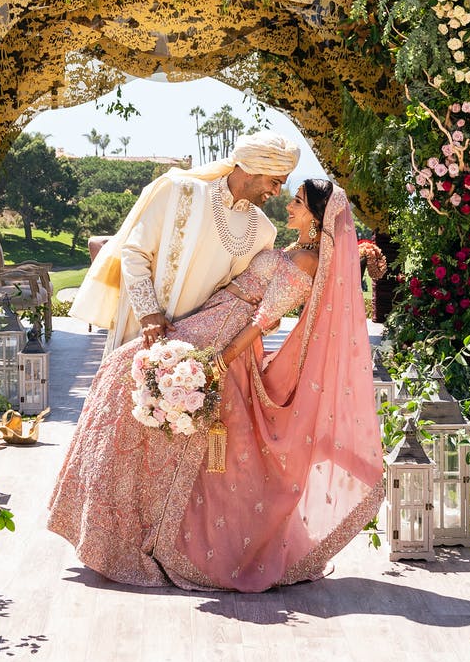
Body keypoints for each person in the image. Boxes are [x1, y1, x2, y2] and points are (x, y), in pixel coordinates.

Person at [49, 178, 384, 592]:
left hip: (226, 334)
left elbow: (263, 319)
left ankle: (137, 533)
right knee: (126, 373)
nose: (288, 205)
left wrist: (219, 362)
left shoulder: (305, 263)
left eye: (298, 202)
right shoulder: (295, 251)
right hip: (213, 316)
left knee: (130, 375)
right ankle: (114, 526)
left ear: (316, 217)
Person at [69, 132, 299, 356]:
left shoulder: (264, 230)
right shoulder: (179, 192)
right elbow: (134, 252)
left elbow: (251, 293)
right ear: (250, 169)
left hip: (203, 353)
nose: (277, 192)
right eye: (274, 182)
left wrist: (269, 320)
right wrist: (148, 313)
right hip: (147, 333)